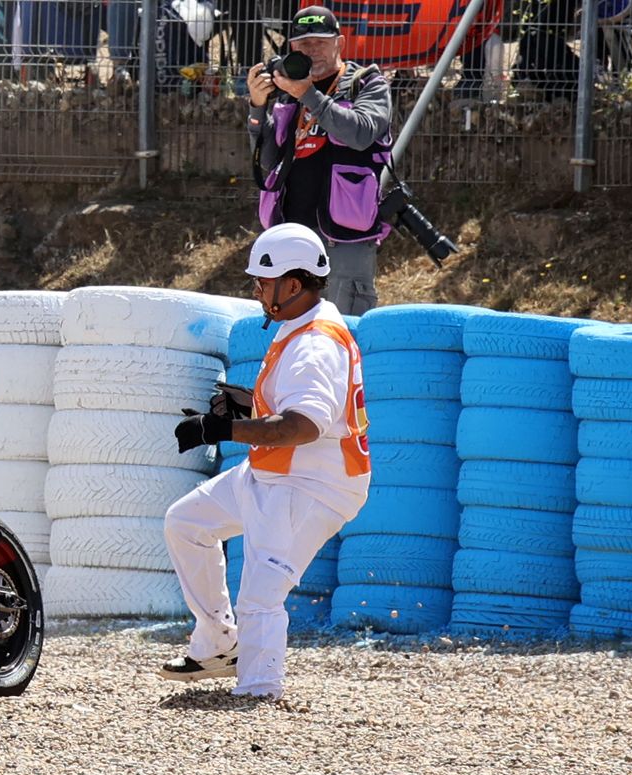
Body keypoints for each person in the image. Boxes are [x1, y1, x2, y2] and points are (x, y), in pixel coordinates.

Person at [159, 223, 370, 702]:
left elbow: (304, 426)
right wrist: (244, 410)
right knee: (186, 523)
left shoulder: (315, 345)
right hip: (275, 472)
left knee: (260, 595)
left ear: (293, 285)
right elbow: (297, 414)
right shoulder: (301, 325)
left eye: (263, 281)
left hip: (312, 486)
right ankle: (217, 645)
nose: (256, 290)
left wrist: (223, 429)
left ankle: (258, 690)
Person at [246, 5, 391, 316]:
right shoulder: (288, 89)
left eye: (320, 42)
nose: (312, 51)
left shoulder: (366, 83)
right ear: (292, 48)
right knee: (287, 330)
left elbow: (361, 133)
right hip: (291, 234)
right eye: (304, 44)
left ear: (338, 42)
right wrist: (257, 107)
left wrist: (308, 93)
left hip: (344, 236)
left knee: (343, 328)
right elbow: (269, 161)